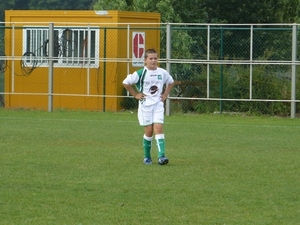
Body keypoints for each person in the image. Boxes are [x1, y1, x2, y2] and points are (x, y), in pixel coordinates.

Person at [122, 48, 175, 165]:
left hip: (158, 105)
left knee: (159, 129)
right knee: (149, 131)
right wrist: (135, 94)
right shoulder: (140, 73)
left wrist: (165, 94)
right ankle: (147, 157)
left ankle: (162, 156)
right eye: (150, 58)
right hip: (145, 106)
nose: (153, 61)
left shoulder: (162, 72)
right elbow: (125, 82)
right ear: (145, 60)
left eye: (155, 58)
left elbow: (171, 82)